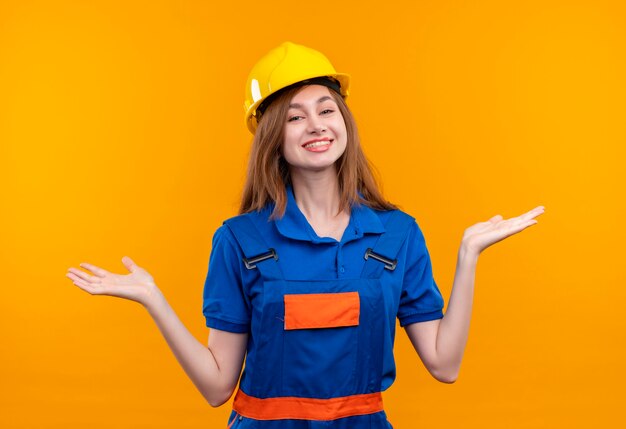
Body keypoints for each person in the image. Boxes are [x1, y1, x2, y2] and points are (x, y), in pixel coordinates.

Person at [66, 42, 545, 428]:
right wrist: (154, 299)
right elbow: (216, 388)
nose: (316, 126)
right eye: (296, 116)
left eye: (326, 110)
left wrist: (468, 255)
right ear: (273, 135)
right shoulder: (238, 240)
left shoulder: (398, 233)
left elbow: (445, 365)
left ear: (344, 122)